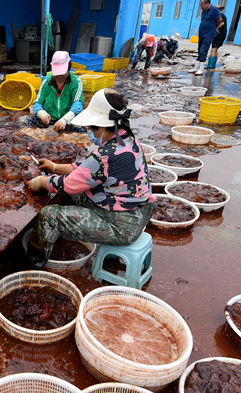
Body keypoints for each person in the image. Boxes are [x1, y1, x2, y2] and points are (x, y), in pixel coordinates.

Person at [23, 89, 156, 268]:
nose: (90, 131)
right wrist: (54, 167)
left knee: (49, 215)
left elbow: (69, 184)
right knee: (73, 196)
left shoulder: (105, 155)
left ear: (105, 126)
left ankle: (34, 264)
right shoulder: (127, 140)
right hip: (137, 212)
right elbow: (86, 171)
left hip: (121, 226)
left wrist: (42, 182)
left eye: (93, 128)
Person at [19, 51, 85, 132]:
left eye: (62, 73)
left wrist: (64, 120)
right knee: (23, 120)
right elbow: (37, 103)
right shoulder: (46, 83)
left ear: (69, 67)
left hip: (67, 122)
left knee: (83, 128)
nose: (59, 76)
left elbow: (78, 105)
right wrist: (42, 114)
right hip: (48, 122)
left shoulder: (76, 82)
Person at [190, 0, 225, 76]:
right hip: (202, 33)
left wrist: (214, 28)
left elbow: (219, 20)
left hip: (209, 34)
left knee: (203, 50)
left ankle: (201, 69)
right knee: (199, 50)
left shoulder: (214, 9)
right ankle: (196, 67)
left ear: (207, 3)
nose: (201, 7)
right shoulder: (204, 11)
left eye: (202, 5)